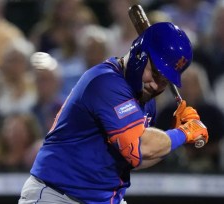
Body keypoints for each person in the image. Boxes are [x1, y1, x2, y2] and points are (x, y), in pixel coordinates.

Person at [18, 22, 209, 204]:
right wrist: (183, 133)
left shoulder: (146, 99)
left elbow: (136, 160)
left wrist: (170, 139)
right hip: (57, 195)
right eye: (155, 73)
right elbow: (139, 148)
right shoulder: (105, 82)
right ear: (138, 55)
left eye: (165, 81)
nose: (156, 85)